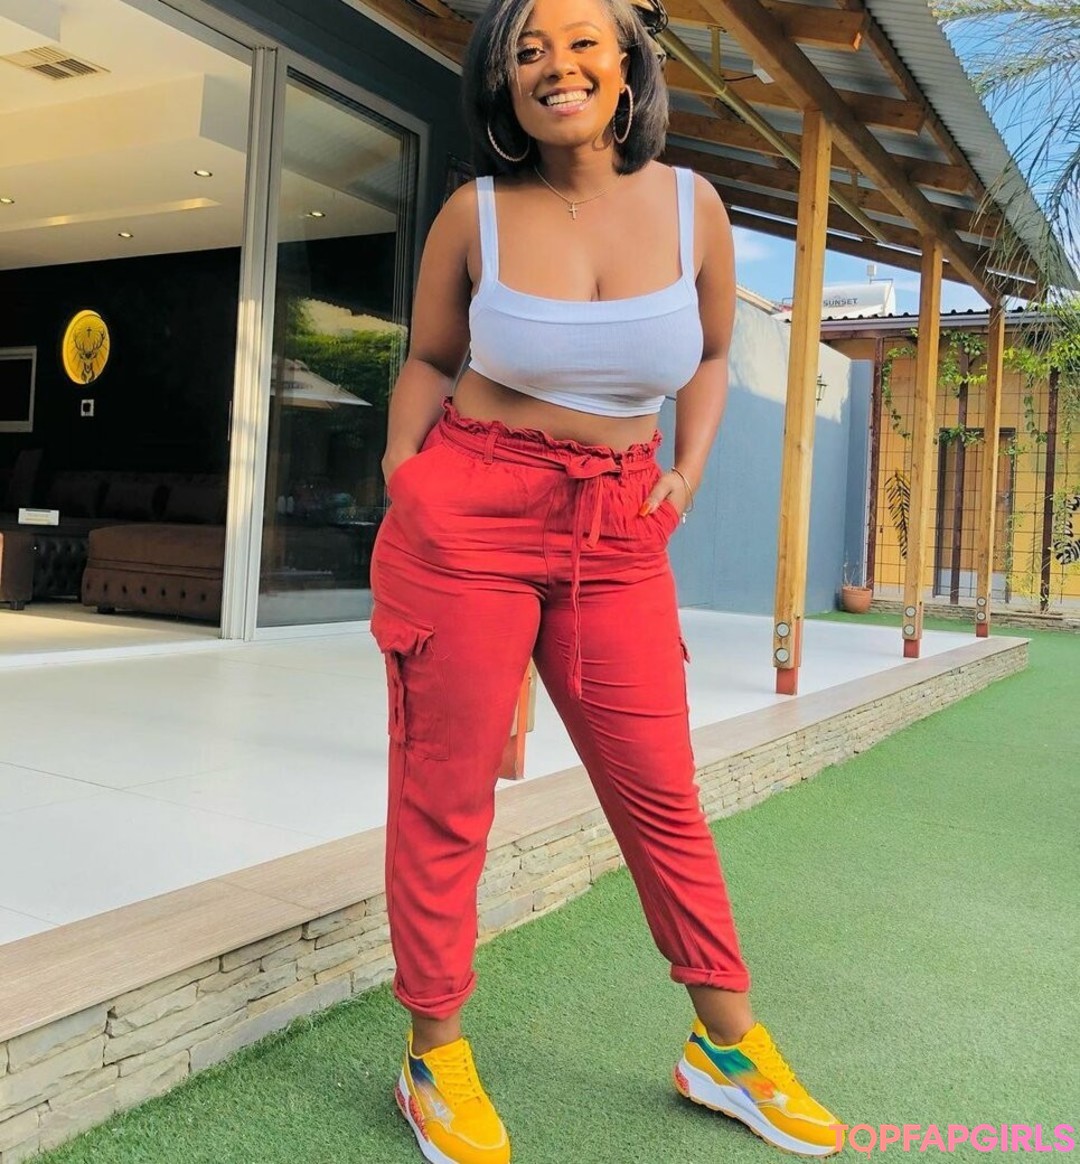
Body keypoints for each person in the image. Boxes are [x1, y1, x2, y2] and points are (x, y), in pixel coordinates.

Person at [370, 0, 841, 1158]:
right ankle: (433, 1057)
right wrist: (405, 477)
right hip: (469, 512)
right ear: (504, 83)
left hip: (618, 525)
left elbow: (716, 353)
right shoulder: (474, 214)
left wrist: (687, 471)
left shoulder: (694, 207)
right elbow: (429, 358)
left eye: (581, 41)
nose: (555, 65)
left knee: (659, 793)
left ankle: (725, 1046)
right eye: (527, 50)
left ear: (629, 64)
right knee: (446, 793)